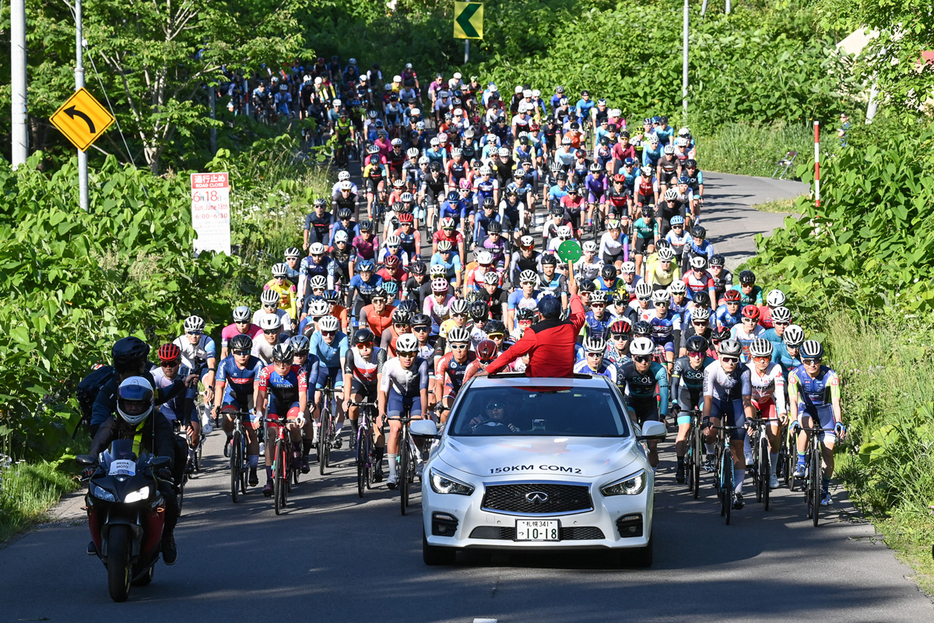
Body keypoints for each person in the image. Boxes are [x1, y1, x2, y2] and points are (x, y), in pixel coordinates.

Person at [89, 376, 181, 564]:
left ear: (147, 404)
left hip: (149, 472)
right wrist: (91, 463)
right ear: (120, 403)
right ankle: (97, 536)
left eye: (137, 405)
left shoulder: (158, 420)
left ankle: (168, 536)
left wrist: (165, 467)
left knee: (168, 496)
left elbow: (166, 445)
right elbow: (100, 439)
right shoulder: (114, 419)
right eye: (128, 404)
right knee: (94, 494)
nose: (132, 409)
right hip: (116, 472)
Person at [484, 267, 586, 377]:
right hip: (565, 386)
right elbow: (579, 314)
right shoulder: (571, 328)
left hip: (538, 387)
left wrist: (488, 370)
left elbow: (511, 353)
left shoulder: (533, 332)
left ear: (540, 314)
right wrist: (574, 294)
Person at [788, 340, 844, 506]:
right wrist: (793, 421)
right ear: (802, 360)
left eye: (817, 360)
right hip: (806, 409)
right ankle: (801, 463)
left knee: (828, 451)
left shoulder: (830, 376)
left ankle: (825, 491)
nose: (812, 365)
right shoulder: (795, 374)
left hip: (825, 411)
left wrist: (839, 422)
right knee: (807, 425)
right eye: (807, 361)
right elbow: (793, 401)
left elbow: (836, 402)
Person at [702, 338, 756, 511]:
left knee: (737, 448)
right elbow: (708, 398)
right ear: (719, 356)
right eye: (726, 358)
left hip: (736, 404)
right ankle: (710, 454)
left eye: (735, 359)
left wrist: (749, 419)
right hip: (716, 402)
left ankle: (738, 492)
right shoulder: (711, 369)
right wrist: (706, 419)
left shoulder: (744, 371)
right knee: (710, 432)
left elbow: (747, 400)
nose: (731, 363)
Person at [378, 333, 430, 489]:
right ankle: (393, 473)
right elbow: (383, 392)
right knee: (395, 430)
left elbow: (423, 390)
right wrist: (381, 413)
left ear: (416, 353)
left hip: (415, 397)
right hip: (397, 397)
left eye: (412, 354)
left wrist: (424, 413)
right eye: (404, 354)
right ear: (397, 354)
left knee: (416, 427)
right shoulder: (390, 365)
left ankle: (419, 462)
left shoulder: (422, 364)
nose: (408, 358)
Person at [255, 343, 308, 496]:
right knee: (271, 436)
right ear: (273, 360)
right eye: (278, 363)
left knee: (293, 425)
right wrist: (259, 413)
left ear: (291, 361)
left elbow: (303, 395)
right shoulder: (266, 371)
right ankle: (269, 480)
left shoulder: (300, 372)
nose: (282, 367)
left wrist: (301, 414)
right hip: (276, 406)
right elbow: (261, 395)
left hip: (293, 404)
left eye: (286, 363)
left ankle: (297, 448)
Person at [213, 334, 264, 486]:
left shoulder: (257, 364)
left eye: (246, 352)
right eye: (238, 352)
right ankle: (230, 437)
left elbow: (257, 389)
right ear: (232, 351)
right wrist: (216, 406)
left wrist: (256, 408)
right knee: (227, 417)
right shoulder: (224, 364)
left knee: (251, 432)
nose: (242, 355)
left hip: (250, 397)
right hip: (233, 395)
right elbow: (220, 386)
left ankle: (253, 469)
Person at [618, 337, 669, 468]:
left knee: (652, 444)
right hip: (631, 403)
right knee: (632, 423)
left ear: (652, 357)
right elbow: (619, 396)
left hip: (649, 406)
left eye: (647, 358)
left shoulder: (659, 370)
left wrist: (662, 416)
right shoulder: (624, 370)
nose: (644, 362)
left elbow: (664, 396)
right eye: (639, 358)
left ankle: (653, 473)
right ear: (633, 357)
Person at [670, 335, 715, 483]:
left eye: (701, 354)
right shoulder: (680, 363)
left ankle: (709, 453)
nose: (697, 358)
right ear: (688, 353)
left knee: (708, 421)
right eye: (694, 354)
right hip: (685, 395)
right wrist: (675, 402)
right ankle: (680, 464)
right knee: (684, 428)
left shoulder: (711, 363)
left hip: (703, 395)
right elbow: (674, 384)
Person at [747, 338, 787, 489]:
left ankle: (772, 472)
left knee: (774, 437)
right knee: (747, 418)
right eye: (758, 358)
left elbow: (780, 392)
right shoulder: (748, 369)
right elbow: (743, 396)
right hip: (752, 402)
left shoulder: (775, 368)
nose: (762, 361)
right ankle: (747, 453)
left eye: (766, 358)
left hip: (767, 402)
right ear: (752, 357)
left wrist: (782, 412)